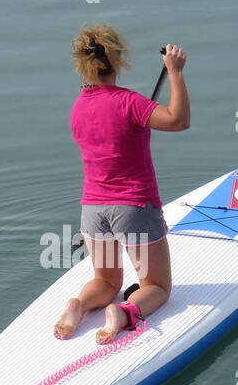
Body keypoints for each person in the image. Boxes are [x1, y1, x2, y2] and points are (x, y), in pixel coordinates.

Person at [54, 26, 190, 344]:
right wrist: (175, 72)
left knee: (105, 281)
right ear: (117, 61)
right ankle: (124, 313)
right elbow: (178, 120)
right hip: (133, 208)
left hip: (92, 210)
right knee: (156, 286)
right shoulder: (130, 103)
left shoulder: (78, 109)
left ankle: (79, 304)